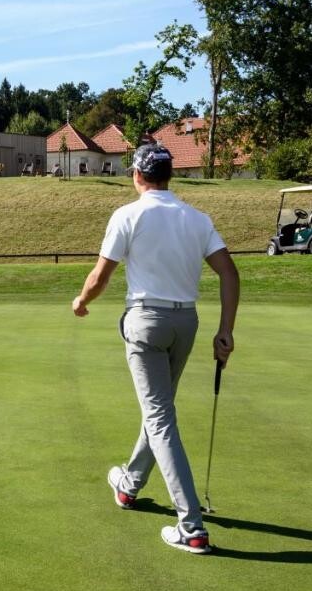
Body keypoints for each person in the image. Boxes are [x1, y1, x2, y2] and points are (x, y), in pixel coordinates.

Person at [71, 142, 239, 555]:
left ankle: (191, 527)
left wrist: (81, 301)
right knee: (159, 409)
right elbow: (229, 274)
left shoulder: (128, 215)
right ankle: (129, 484)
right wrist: (225, 330)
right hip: (186, 324)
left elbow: (100, 276)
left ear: (137, 176)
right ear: (170, 175)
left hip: (146, 322)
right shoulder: (197, 218)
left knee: (160, 416)